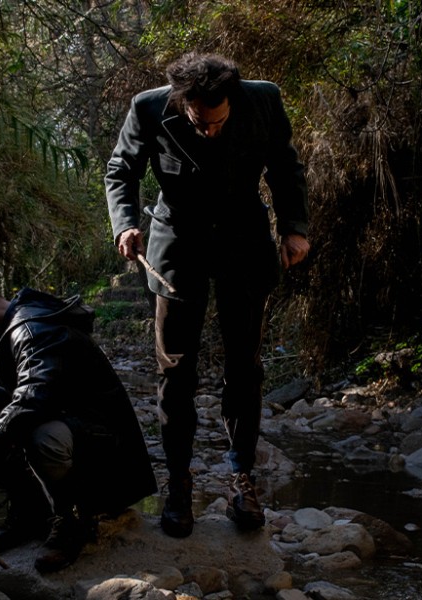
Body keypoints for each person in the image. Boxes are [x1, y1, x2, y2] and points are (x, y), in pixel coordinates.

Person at [104, 52, 310, 538]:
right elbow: (121, 170)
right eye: (200, 122)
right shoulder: (148, 108)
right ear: (183, 103)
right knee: (176, 368)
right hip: (177, 238)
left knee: (244, 365)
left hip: (244, 236)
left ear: (232, 102)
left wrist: (295, 228)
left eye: (217, 123)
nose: (210, 131)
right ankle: (178, 484)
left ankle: (243, 478)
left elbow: (284, 166)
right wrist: (126, 224)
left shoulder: (263, 100)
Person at [0, 267, 157, 572]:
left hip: (110, 462)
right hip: (74, 432)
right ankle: (29, 515)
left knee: (43, 434)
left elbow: (34, 396)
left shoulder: (32, 328)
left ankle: (72, 521)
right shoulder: (15, 325)